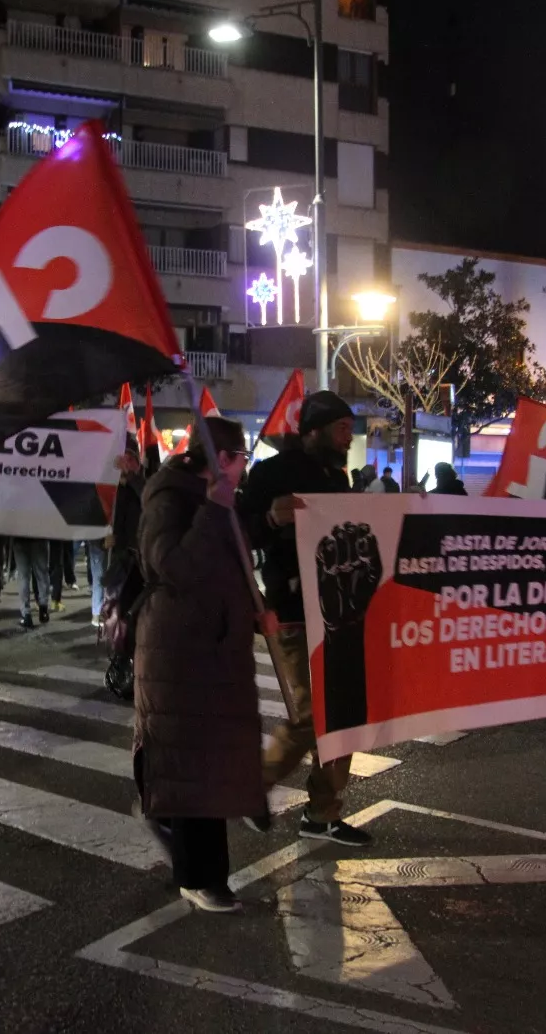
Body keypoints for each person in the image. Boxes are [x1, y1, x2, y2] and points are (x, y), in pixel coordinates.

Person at [135, 415, 267, 913]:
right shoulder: (169, 497)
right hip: (180, 653)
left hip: (212, 651)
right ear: (221, 460)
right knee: (194, 767)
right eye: (239, 460)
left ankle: (177, 833)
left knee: (206, 766)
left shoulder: (215, 500)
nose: (242, 470)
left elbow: (225, 566)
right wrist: (213, 511)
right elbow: (177, 567)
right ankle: (198, 877)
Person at [238, 390, 371, 846]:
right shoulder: (271, 473)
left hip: (340, 613)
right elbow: (239, 530)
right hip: (292, 611)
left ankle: (323, 813)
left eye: (350, 429)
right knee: (307, 715)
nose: (347, 437)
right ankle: (250, 790)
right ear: (312, 431)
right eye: (339, 428)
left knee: (344, 715)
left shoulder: (339, 477)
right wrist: (272, 520)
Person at [10, 536, 51, 629]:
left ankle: (26, 614)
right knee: (42, 574)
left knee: (23, 577)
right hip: (39, 537)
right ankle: (43, 608)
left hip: (20, 539)